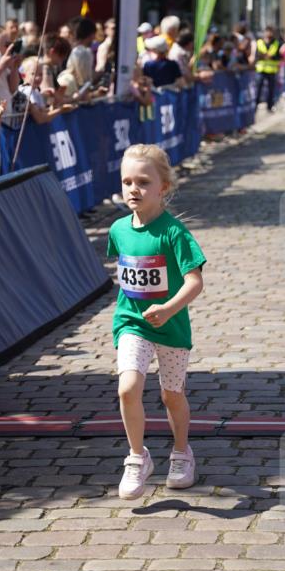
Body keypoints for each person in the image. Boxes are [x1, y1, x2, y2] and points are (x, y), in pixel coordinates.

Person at [107, 144, 205, 500]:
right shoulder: (118, 230)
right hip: (132, 323)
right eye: (127, 181)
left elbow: (195, 281)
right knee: (127, 388)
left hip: (172, 328)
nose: (133, 189)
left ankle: (182, 453)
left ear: (163, 186)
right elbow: (124, 273)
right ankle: (137, 457)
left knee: (171, 395)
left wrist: (168, 308)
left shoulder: (174, 233)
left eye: (143, 182)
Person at [254, 25, 282, 110]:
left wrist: (271, 57)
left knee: (271, 89)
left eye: (271, 32)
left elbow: (278, 56)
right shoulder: (259, 42)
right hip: (261, 69)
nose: (269, 34)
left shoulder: (276, 43)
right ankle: (256, 104)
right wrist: (265, 56)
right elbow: (257, 55)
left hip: (272, 69)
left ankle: (270, 106)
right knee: (258, 88)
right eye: (267, 32)